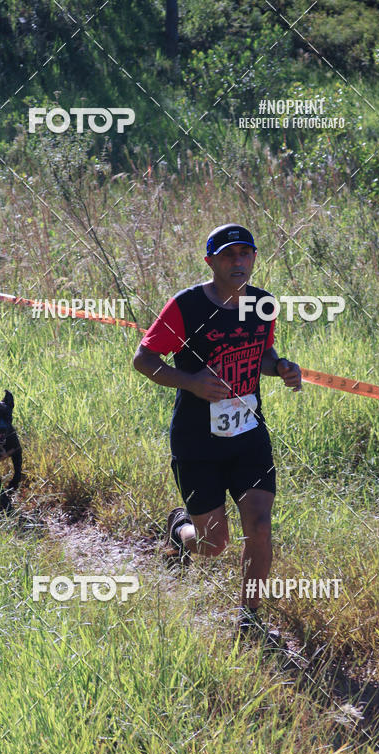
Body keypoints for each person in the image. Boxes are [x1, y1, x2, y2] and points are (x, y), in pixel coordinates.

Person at [133, 223, 301, 641]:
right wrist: (191, 382)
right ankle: (180, 530)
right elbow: (143, 359)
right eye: (228, 255)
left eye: (245, 254)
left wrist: (281, 367)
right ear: (210, 261)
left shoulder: (262, 303)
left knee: (259, 526)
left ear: (254, 258)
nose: (238, 262)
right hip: (197, 441)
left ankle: (250, 619)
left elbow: (262, 354)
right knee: (212, 544)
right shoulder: (186, 306)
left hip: (249, 436)